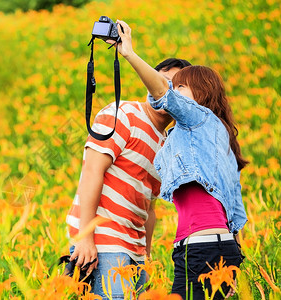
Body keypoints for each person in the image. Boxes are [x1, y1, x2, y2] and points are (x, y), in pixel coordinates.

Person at [113, 20, 248, 299]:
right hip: (208, 246)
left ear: (201, 94)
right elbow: (233, 203)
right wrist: (232, 249)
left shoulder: (200, 119)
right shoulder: (212, 133)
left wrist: (129, 53)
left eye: (181, 87)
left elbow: (162, 95)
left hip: (202, 248)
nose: (173, 90)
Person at [66, 57, 191, 299]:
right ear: (148, 82)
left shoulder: (166, 143)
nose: (166, 92)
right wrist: (85, 238)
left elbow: (150, 206)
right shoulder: (122, 113)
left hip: (134, 249)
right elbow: (92, 171)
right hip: (104, 242)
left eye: (177, 89)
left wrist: (147, 253)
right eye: (163, 82)